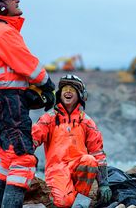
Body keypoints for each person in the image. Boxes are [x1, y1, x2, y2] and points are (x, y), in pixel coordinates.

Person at [0, 0, 56, 207]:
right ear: (0, 6)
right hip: (8, 102)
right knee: (23, 160)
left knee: (8, 159)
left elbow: (7, 73)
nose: (17, 1)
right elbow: (28, 65)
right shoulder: (4, 33)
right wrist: (48, 86)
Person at [32, 74, 112, 207]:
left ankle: (80, 203)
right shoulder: (49, 119)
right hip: (57, 170)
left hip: (78, 168)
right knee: (64, 203)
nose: (68, 91)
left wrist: (104, 184)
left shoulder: (86, 121)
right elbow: (33, 140)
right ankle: (72, 199)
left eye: (72, 89)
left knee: (90, 161)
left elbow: (98, 154)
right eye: (65, 89)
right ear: (59, 93)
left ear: (80, 95)